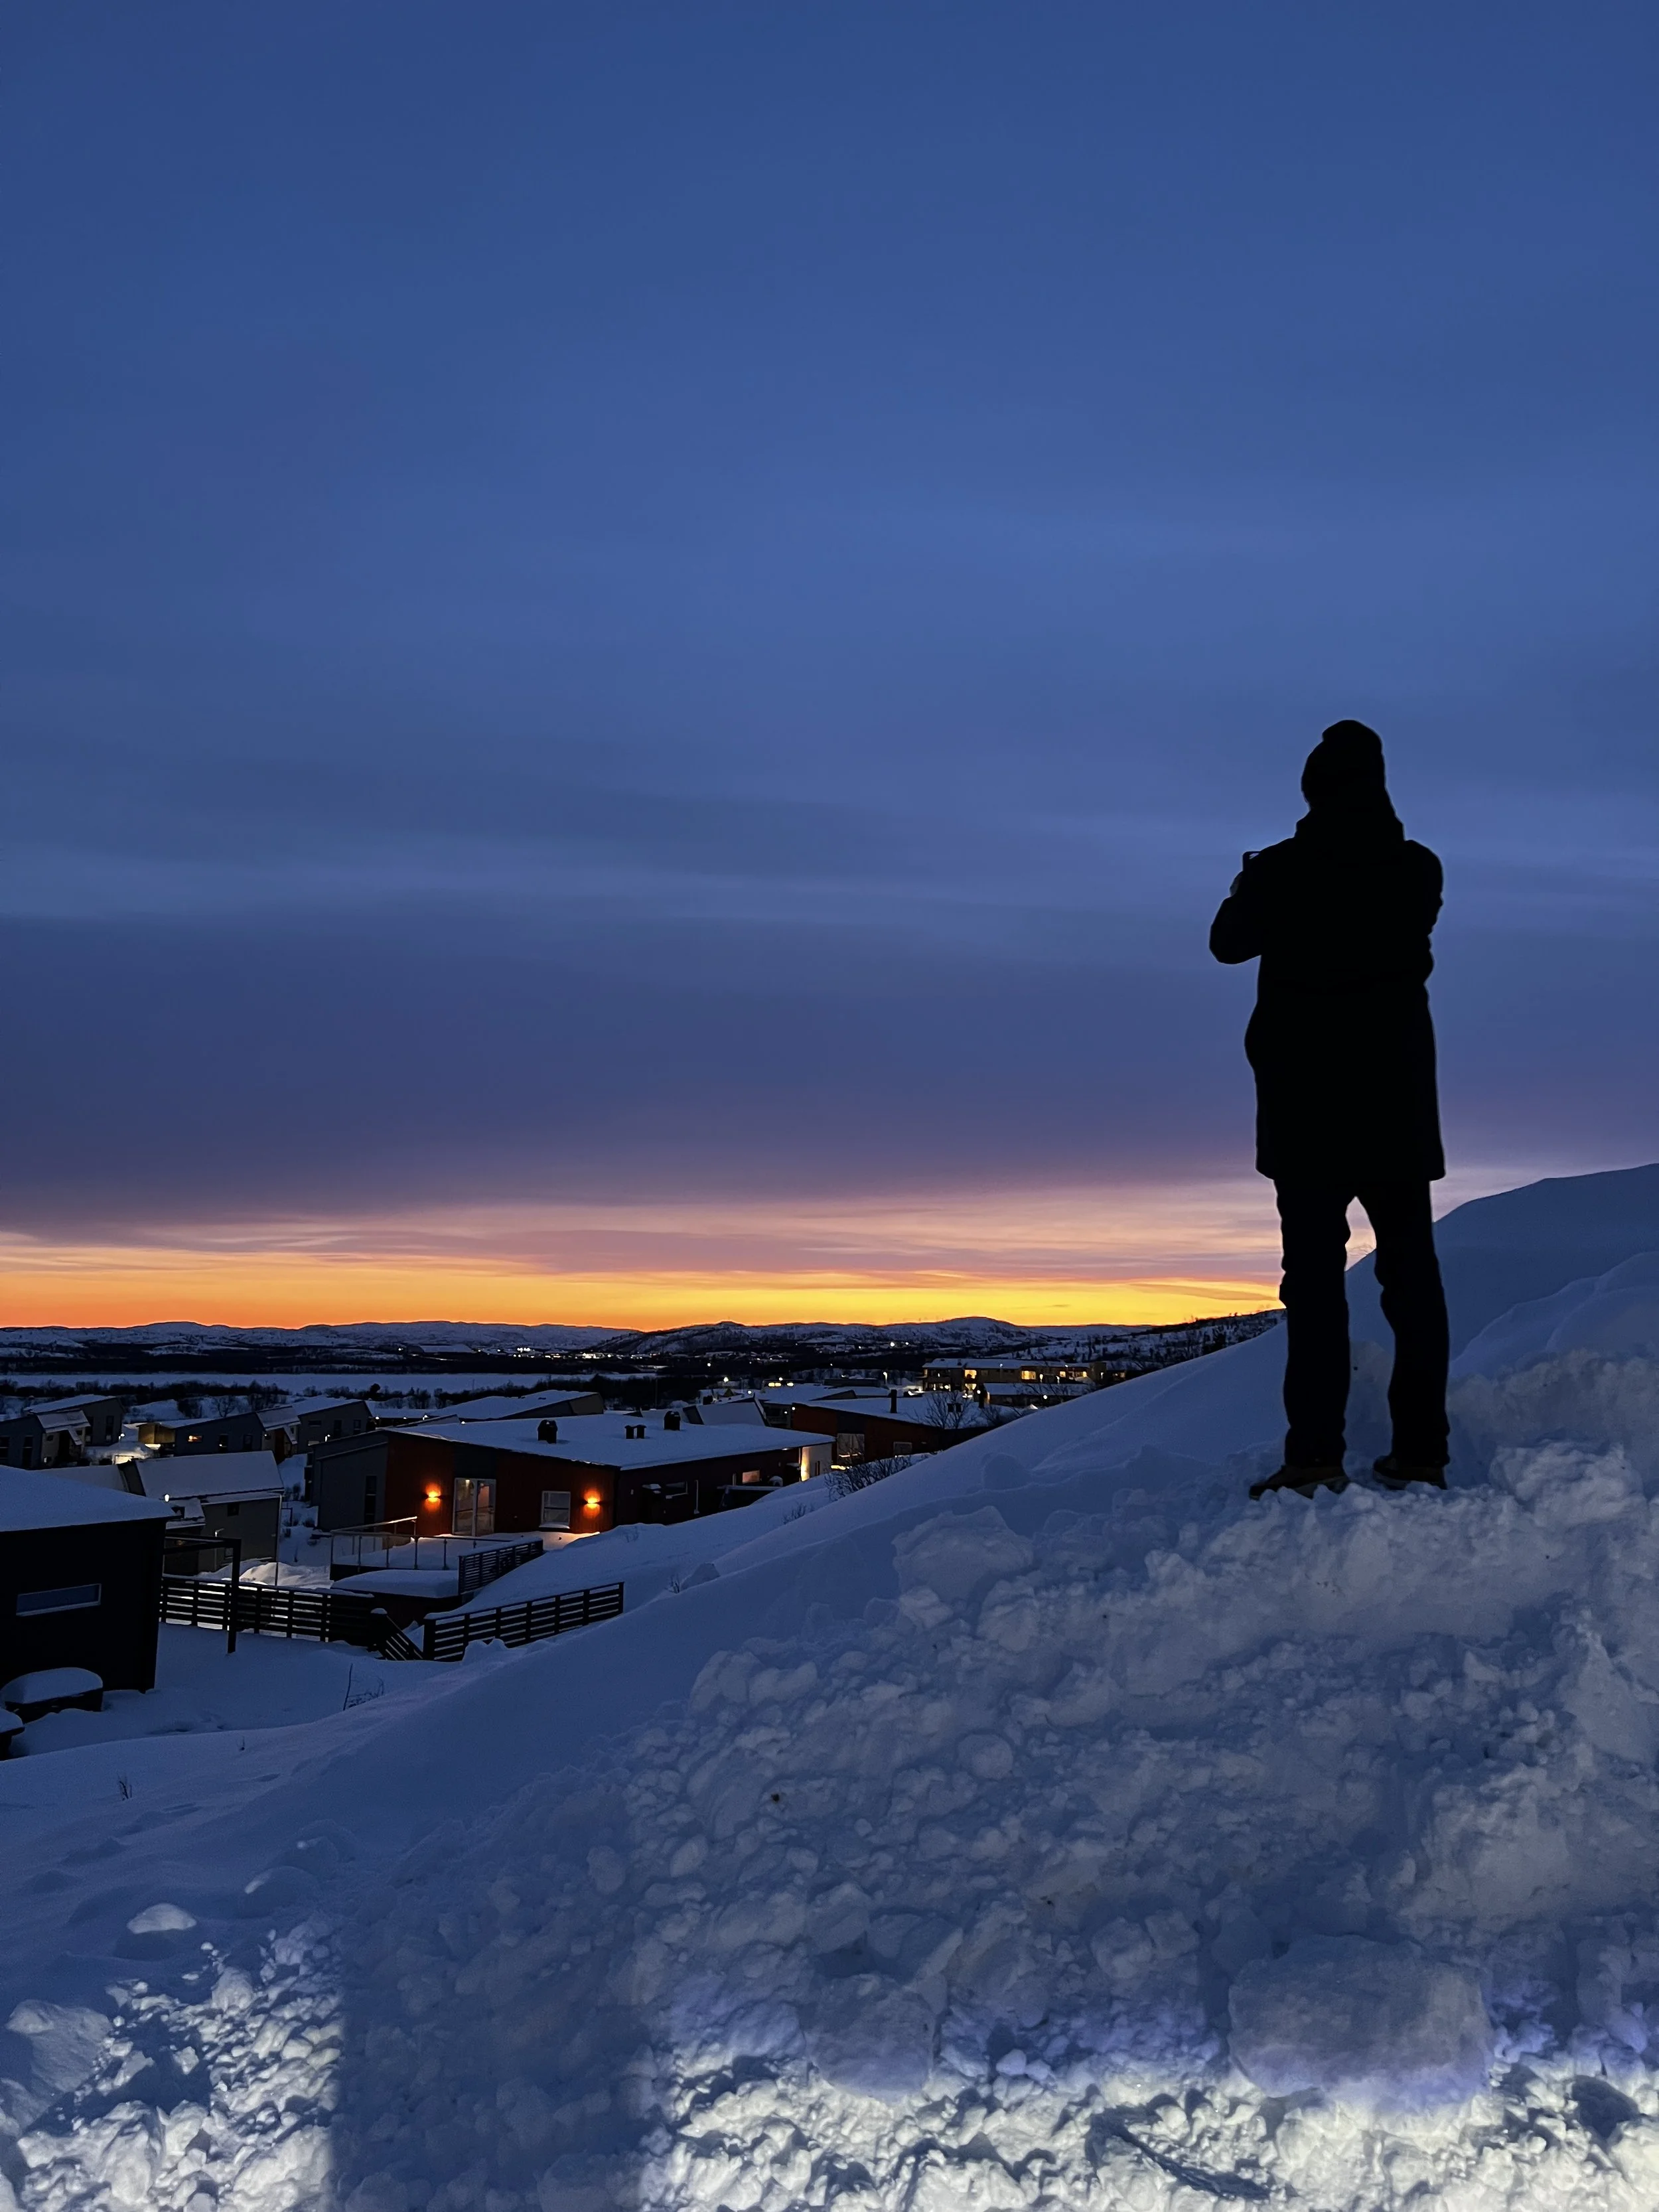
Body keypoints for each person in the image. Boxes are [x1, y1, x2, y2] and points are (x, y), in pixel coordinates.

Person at [1210, 720, 1449, 1499]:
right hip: (1396, 1104)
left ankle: (1314, 1455)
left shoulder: (1281, 870)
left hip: (1305, 1104)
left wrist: (1249, 882)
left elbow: (1225, 943)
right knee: (1411, 1278)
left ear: (1312, 789)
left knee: (1312, 1284)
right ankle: (1421, 1450)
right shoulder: (1416, 869)